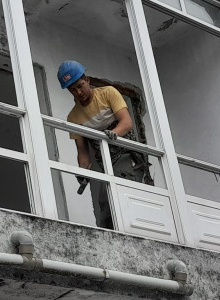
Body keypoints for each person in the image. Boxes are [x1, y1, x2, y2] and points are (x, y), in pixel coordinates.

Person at [58, 60, 151, 229]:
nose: (78, 92)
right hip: (106, 163)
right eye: (73, 89)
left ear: (87, 80)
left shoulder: (108, 93)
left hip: (127, 155)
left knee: (119, 197)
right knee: (105, 203)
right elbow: (82, 151)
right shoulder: (74, 117)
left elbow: (127, 122)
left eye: (80, 86)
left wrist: (113, 133)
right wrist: (83, 171)